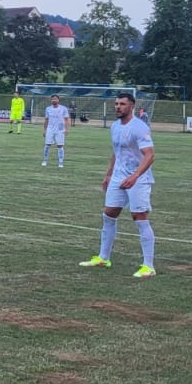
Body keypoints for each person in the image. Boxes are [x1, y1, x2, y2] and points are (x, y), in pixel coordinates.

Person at [79, 92, 157, 278]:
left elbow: (149, 155)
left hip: (138, 179)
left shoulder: (139, 127)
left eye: (122, 104)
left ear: (132, 106)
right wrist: (108, 174)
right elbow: (117, 152)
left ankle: (148, 266)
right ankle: (103, 258)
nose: (118, 107)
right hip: (117, 177)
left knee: (139, 217)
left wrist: (135, 176)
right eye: (116, 104)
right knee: (109, 214)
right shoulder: (114, 126)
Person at [41, 94, 72, 167]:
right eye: (52, 99)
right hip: (50, 129)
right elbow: (46, 120)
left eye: (55, 99)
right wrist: (44, 130)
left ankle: (60, 162)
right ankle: (44, 160)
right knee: (47, 145)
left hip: (60, 129)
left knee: (60, 146)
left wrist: (67, 129)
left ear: (58, 100)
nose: (54, 100)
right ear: (51, 100)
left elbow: (67, 119)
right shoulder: (48, 109)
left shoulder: (63, 108)